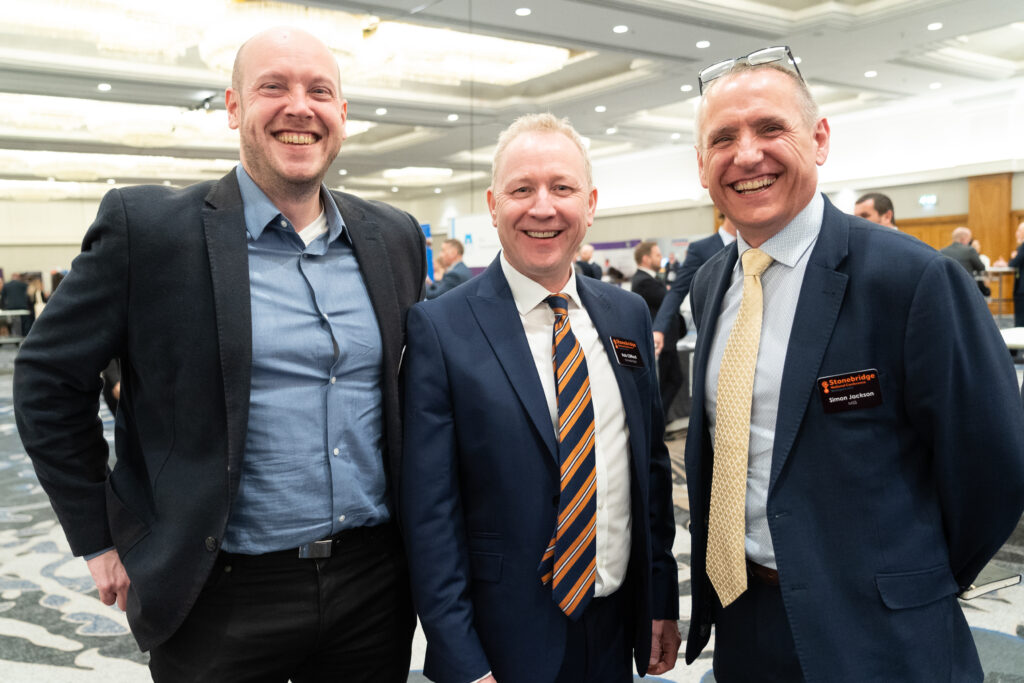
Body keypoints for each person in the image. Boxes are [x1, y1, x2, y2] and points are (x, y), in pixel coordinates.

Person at [14, 26, 424, 682]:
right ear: (233, 108)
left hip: (372, 586)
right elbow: (46, 379)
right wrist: (96, 535)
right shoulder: (150, 231)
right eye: (273, 87)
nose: (299, 107)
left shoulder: (393, 236)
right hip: (218, 593)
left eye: (320, 91)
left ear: (343, 114)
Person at [682, 48, 1024, 682]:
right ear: (702, 166)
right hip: (745, 621)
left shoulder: (913, 279)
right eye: (722, 139)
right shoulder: (712, 284)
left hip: (881, 633)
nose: (746, 154)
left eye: (770, 128)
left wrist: (913, 579)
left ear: (819, 139)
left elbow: (995, 465)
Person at [401, 113, 680, 683]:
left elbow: (650, 470)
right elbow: (429, 514)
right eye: (522, 189)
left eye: (562, 188)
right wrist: (461, 659)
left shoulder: (627, 315)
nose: (543, 207)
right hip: (503, 642)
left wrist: (660, 600)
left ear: (591, 204)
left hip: (615, 626)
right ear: (493, 205)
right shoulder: (441, 328)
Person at [651, 216, 736, 355]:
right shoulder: (701, 249)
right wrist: (659, 329)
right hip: (716, 338)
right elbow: (677, 291)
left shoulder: (756, 246)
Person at [632, 241, 684, 419]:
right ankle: (657, 421)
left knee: (674, 379)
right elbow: (668, 299)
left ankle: (660, 419)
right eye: (657, 255)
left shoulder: (651, 280)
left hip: (667, 340)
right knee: (665, 382)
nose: (661, 258)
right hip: (660, 341)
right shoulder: (643, 281)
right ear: (646, 258)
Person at [941, 226, 989, 296]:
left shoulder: (942, 251)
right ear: (963, 239)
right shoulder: (970, 250)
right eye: (969, 239)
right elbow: (981, 267)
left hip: (947, 288)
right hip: (967, 288)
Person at [1009, 221, 1024, 327]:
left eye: (1019, 230)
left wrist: (1014, 256)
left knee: (1020, 321)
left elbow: (1014, 263)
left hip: (1022, 289)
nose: (1016, 233)